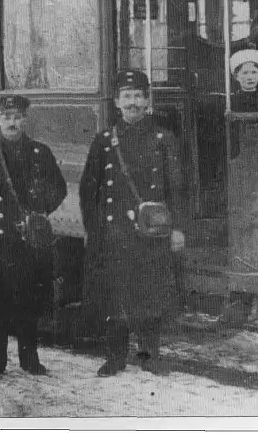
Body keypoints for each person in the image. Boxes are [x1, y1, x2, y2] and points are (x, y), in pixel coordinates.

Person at [79, 70, 186, 377]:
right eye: (127, 97)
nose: (133, 102)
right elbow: (90, 191)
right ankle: (116, 357)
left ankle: (151, 356)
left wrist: (177, 228)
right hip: (116, 233)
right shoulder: (104, 142)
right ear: (116, 102)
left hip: (152, 231)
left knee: (150, 293)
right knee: (117, 295)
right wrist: (95, 231)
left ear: (147, 100)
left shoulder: (164, 139)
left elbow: (178, 188)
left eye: (139, 96)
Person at [0, 95, 67, 382]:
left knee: (28, 305)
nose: (12, 122)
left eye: (17, 117)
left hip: (29, 244)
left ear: (25, 120)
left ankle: (30, 361)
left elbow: (59, 189)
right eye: (6, 117)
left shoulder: (40, 153)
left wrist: (38, 212)